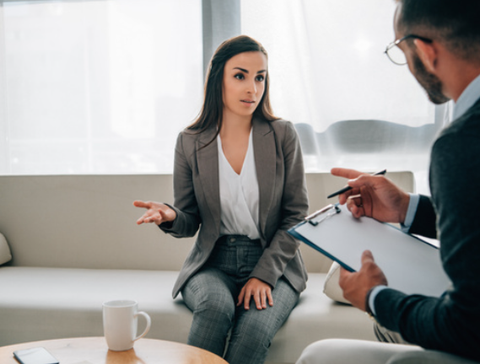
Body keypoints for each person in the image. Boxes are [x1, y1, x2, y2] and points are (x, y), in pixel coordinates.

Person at [297, 0, 480, 363]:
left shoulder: (461, 145)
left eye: (401, 50)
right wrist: (407, 208)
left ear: (426, 52)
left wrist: (375, 297)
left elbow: (468, 325)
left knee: (319, 356)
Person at [134, 35, 309, 364]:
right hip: (213, 262)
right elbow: (189, 219)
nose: (252, 88)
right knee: (215, 308)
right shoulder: (190, 142)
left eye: (260, 77)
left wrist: (263, 275)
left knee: (254, 330)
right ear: (219, 79)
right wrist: (171, 215)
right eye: (240, 76)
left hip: (273, 262)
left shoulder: (283, 134)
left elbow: (296, 216)